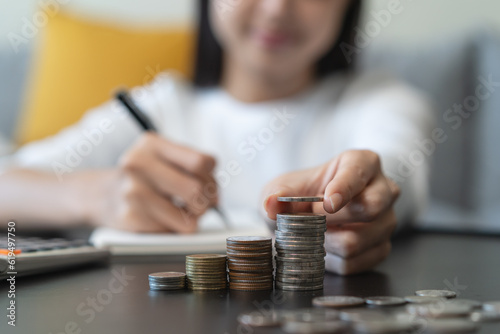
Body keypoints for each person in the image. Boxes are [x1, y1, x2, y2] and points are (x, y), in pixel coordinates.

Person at [0, 0, 433, 275]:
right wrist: (94, 194)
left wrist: (368, 193)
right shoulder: (159, 106)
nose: (277, 8)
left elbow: (396, 166)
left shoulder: (379, 101)